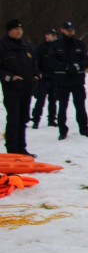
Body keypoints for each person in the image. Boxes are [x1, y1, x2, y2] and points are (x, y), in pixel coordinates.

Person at [1, 19, 40, 156]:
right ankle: (12, 149)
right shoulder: (3, 46)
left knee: (24, 119)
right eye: (16, 29)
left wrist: (36, 76)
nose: (19, 32)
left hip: (27, 88)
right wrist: (10, 77)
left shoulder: (25, 46)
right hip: (12, 89)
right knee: (14, 119)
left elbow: (34, 63)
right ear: (9, 31)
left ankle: (21, 148)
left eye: (21, 29)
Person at [49, 20, 88, 139]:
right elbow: (52, 61)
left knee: (80, 106)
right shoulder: (55, 45)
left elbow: (86, 60)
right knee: (62, 107)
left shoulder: (80, 44)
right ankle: (62, 130)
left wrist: (77, 66)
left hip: (77, 81)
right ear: (62, 30)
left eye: (72, 30)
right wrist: (66, 67)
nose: (70, 32)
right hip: (62, 81)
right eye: (68, 30)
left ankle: (84, 130)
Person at [30, 28, 58, 129]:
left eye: (55, 35)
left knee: (53, 100)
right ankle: (36, 119)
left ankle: (52, 119)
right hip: (43, 77)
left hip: (54, 77)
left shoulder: (57, 47)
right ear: (46, 36)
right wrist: (37, 73)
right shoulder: (40, 47)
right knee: (40, 100)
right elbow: (35, 61)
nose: (54, 36)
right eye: (51, 34)